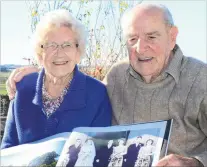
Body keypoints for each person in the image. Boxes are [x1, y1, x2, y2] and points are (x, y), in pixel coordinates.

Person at [5, 3, 207, 166]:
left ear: (172, 37)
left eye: (151, 37)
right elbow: (75, 85)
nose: (140, 48)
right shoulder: (116, 76)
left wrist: (195, 163)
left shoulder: (201, 79)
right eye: (132, 39)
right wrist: (41, 72)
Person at [0, 9, 112, 149]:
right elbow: (8, 148)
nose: (59, 53)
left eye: (67, 45)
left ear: (78, 52)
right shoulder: (23, 88)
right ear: (40, 54)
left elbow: (101, 152)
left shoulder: (97, 93)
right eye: (51, 45)